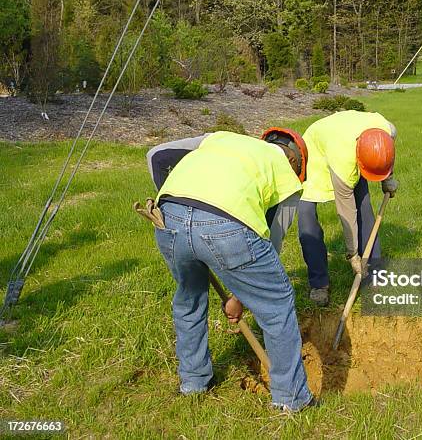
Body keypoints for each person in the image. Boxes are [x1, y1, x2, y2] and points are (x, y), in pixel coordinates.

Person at [146, 128, 314, 411]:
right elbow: (270, 245)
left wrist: (179, 204)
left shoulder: (220, 137)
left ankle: (194, 383)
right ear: (296, 162)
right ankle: (292, 400)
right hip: (225, 229)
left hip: (168, 217)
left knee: (189, 299)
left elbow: (156, 155)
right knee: (277, 304)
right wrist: (241, 297)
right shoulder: (287, 180)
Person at [298, 110, 398, 306]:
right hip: (315, 153)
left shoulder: (386, 129)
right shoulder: (343, 159)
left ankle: (374, 271)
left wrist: (388, 178)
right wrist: (352, 255)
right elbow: (346, 213)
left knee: (365, 209)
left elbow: (385, 153)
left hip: (351, 145)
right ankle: (319, 284)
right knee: (306, 217)